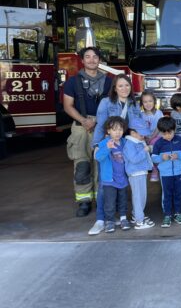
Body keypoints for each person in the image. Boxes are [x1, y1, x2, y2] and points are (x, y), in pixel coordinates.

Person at [89, 73, 143, 235]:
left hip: (124, 145)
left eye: (127, 85)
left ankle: (120, 217)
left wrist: (139, 140)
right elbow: (100, 125)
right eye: (120, 86)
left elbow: (136, 124)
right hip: (108, 145)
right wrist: (97, 145)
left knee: (121, 181)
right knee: (105, 183)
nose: (124, 88)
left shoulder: (133, 103)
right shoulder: (106, 102)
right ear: (115, 88)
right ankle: (100, 219)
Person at [64, 47, 112, 218]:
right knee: (82, 166)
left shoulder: (108, 82)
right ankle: (84, 202)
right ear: (82, 61)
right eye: (88, 57)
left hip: (102, 126)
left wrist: (98, 122)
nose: (92, 60)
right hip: (80, 126)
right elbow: (67, 105)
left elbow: (111, 105)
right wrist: (84, 121)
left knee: (101, 164)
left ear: (100, 60)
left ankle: (101, 199)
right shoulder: (72, 82)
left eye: (95, 57)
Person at [151, 116, 181, 228]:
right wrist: (161, 157)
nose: (167, 136)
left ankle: (178, 213)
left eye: (170, 133)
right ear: (160, 132)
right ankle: (167, 215)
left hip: (178, 173)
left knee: (179, 194)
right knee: (167, 195)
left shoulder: (180, 140)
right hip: (165, 174)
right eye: (164, 134)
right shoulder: (158, 143)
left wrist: (179, 155)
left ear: (174, 129)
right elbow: (153, 158)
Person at [94, 116, 130, 233]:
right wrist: (107, 148)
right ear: (108, 131)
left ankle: (123, 218)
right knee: (109, 202)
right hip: (109, 180)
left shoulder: (125, 142)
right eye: (114, 130)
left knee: (123, 200)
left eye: (120, 129)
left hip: (122, 179)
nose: (117, 132)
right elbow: (98, 157)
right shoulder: (104, 143)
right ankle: (110, 221)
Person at [123, 117, 155, 230]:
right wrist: (144, 150)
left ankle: (136, 215)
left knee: (142, 196)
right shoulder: (129, 144)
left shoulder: (138, 141)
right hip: (135, 173)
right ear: (133, 133)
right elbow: (134, 159)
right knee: (138, 197)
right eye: (141, 134)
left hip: (141, 172)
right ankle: (139, 221)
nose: (144, 136)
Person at [139, 90, 163, 182]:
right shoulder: (141, 115)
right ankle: (146, 168)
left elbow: (159, 127)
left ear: (154, 102)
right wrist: (144, 138)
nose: (148, 104)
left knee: (153, 145)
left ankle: (155, 169)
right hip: (145, 137)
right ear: (142, 103)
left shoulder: (158, 113)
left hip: (157, 136)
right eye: (145, 102)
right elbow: (141, 128)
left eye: (150, 101)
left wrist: (151, 137)